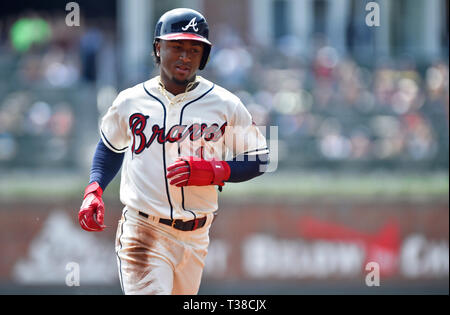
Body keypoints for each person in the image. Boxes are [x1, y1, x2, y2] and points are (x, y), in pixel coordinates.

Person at [78, 8, 269, 295]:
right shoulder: (131, 101)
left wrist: (216, 170)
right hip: (143, 231)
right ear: (158, 47)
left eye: (194, 49)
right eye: (177, 46)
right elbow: (109, 146)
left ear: (204, 56)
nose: (185, 56)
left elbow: (261, 158)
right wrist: (94, 187)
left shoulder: (225, 104)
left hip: (196, 236)